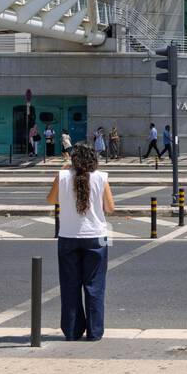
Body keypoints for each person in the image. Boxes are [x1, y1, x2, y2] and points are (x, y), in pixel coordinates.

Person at [47, 143, 115, 341]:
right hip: (97, 236)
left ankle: (73, 330)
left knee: (70, 285)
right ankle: (95, 332)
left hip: (68, 236)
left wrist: (61, 174)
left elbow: (51, 200)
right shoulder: (101, 177)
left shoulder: (63, 177)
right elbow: (110, 208)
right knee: (95, 286)